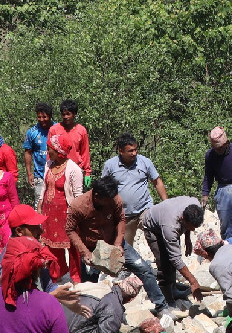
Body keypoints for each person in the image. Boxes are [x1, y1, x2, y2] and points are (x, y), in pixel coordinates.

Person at [65, 176, 163, 315]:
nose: (112, 201)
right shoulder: (79, 205)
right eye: (107, 200)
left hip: (114, 242)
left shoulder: (115, 199)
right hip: (92, 248)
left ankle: (161, 305)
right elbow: (70, 229)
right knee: (89, 285)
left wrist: (118, 244)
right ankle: (90, 314)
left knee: (144, 269)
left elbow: (121, 219)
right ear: (97, 196)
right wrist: (85, 252)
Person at [101, 134, 168, 245]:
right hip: (124, 215)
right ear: (121, 151)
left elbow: (157, 181)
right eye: (130, 151)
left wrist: (166, 202)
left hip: (144, 209)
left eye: (136, 150)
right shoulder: (110, 165)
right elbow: (104, 187)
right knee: (125, 247)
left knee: (157, 236)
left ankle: (163, 261)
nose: (134, 153)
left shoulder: (144, 162)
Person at [141, 197, 207, 309]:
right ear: (182, 219)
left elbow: (188, 225)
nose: (191, 230)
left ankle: (173, 289)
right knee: (164, 263)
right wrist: (193, 281)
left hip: (166, 219)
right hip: (152, 227)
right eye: (189, 227)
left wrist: (187, 238)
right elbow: (175, 258)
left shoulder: (195, 205)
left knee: (172, 260)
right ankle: (166, 299)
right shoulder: (170, 226)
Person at [38, 134, 84, 282]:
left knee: (72, 246)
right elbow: (44, 187)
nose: (47, 152)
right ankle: (57, 273)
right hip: (49, 212)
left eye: (49, 149)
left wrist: (77, 216)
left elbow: (78, 195)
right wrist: (40, 203)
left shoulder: (73, 169)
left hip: (67, 213)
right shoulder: (49, 165)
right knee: (51, 245)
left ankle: (76, 277)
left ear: (59, 151)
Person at [22, 102, 55, 207]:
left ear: (50, 116)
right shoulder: (32, 132)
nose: (42, 119)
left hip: (56, 173)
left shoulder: (58, 129)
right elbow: (28, 152)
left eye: (44, 117)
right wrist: (29, 173)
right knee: (39, 204)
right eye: (39, 117)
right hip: (40, 175)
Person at [48, 99, 90, 173]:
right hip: (57, 169)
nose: (65, 117)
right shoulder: (54, 130)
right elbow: (49, 151)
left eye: (68, 114)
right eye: (63, 114)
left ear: (74, 114)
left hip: (76, 169)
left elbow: (85, 152)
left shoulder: (81, 130)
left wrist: (87, 171)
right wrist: (48, 169)